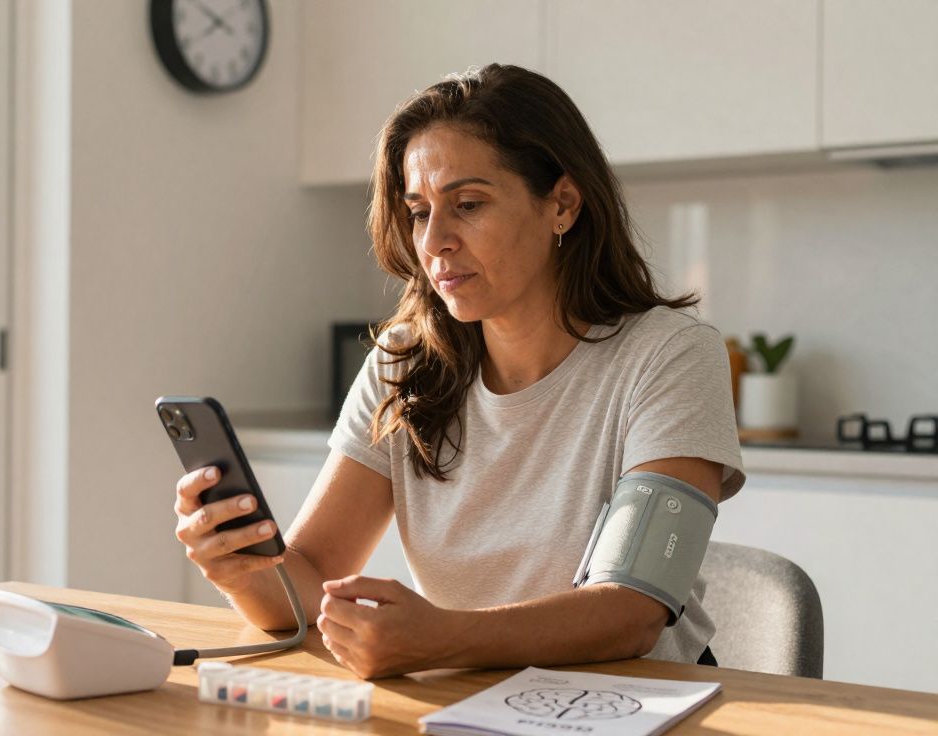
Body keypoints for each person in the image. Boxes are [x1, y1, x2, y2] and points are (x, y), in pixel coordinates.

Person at [172, 64, 744, 678]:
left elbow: (632, 611)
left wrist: (442, 638)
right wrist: (239, 564)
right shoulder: (405, 361)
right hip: (470, 699)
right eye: (419, 212)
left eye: (468, 204)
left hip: (638, 706)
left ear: (563, 204)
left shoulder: (670, 355)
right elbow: (307, 590)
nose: (435, 240)